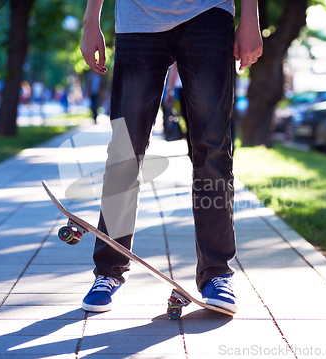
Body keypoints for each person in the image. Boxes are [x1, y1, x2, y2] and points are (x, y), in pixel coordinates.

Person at [80, 0, 262, 314]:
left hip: (208, 11)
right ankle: (108, 270)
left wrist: (250, 16)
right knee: (125, 147)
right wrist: (90, 20)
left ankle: (216, 272)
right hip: (138, 17)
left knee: (213, 147)